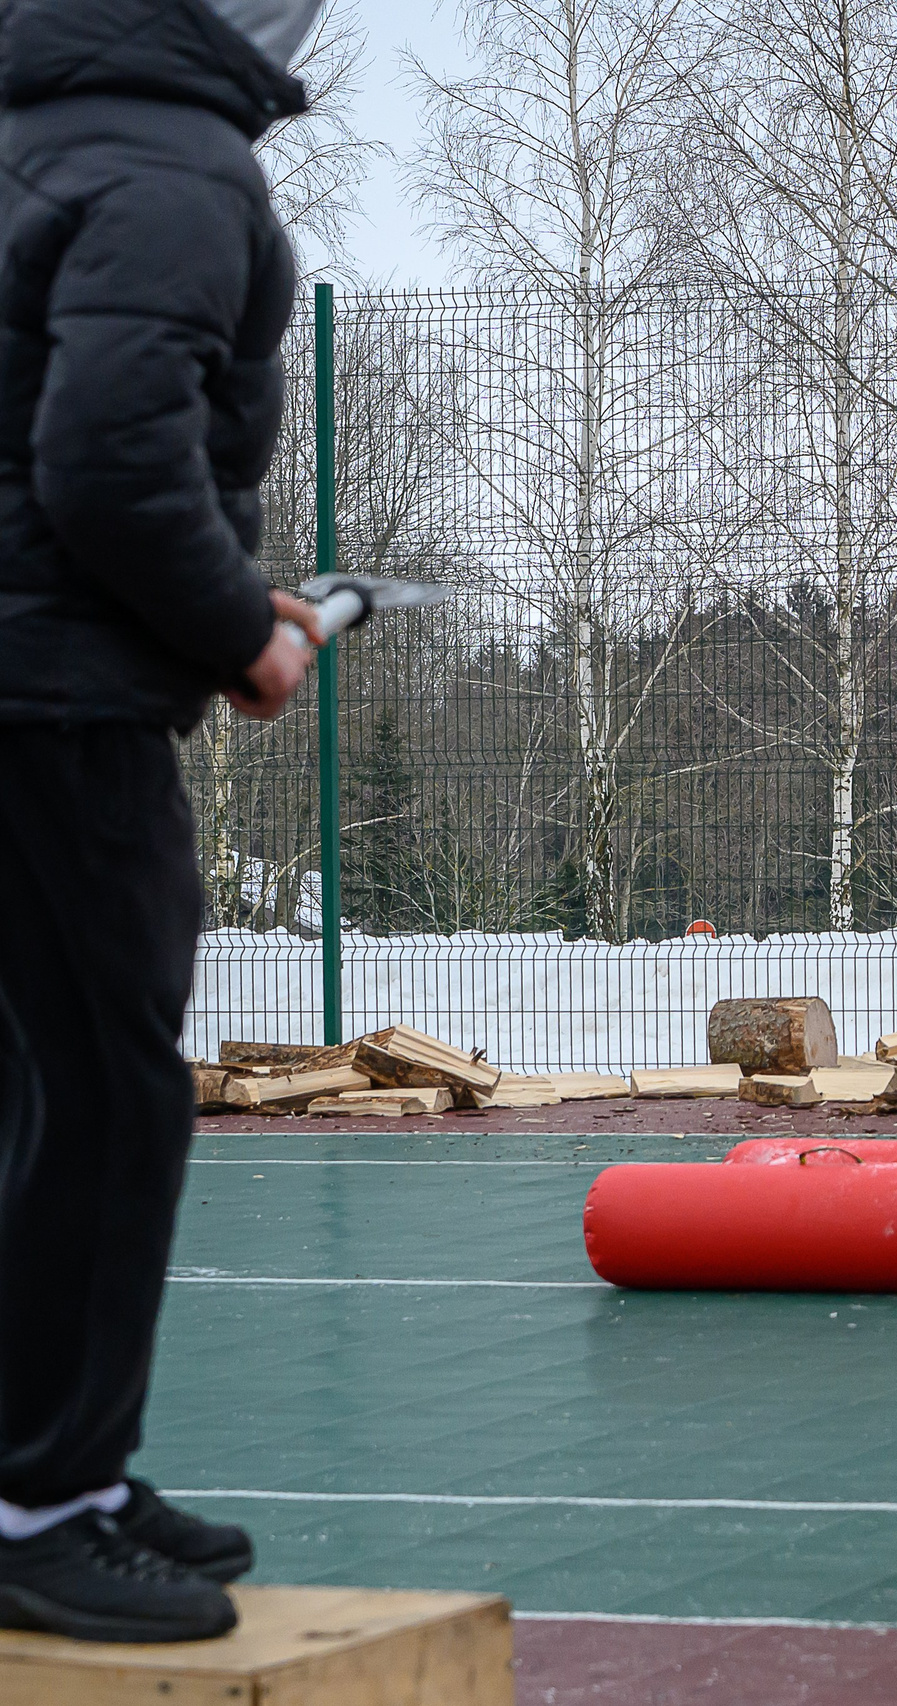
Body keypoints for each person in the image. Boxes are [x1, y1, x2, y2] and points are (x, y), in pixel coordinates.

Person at [0, 0, 327, 1644]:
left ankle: (52, 1474)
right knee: (115, 1095)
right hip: (53, 708)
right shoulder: (175, 167)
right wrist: (242, 631)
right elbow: (110, 464)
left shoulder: (35, 136)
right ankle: (42, 1500)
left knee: (32, 1086)